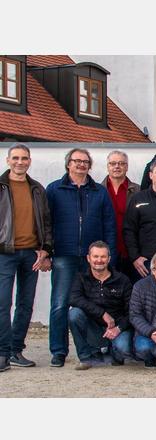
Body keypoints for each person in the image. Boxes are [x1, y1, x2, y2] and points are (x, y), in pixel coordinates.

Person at [46, 148, 116, 367]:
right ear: (69, 164)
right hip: (64, 255)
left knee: (93, 303)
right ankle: (58, 350)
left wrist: (109, 254)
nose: (81, 164)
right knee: (60, 304)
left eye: (85, 161)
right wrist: (46, 251)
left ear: (90, 165)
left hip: (92, 258)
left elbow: (109, 224)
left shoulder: (99, 192)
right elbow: (46, 223)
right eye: (77, 161)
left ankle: (93, 348)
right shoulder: (54, 189)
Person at [0, 143, 52, 371]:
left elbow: (46, 222)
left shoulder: (37, 189)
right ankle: (2, 352)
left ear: (29, 161)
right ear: (8, 160)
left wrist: (45, 249)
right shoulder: (1, 187)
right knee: (3, 303)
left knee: (25, 304)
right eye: (16, 158)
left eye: (24, 158)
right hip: (4, 253)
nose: (20, 162)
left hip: (31, 254)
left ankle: (15, 350)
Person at [68, 241, 133, 370]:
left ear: (109, 258)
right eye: (95, 256)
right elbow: (74, 299)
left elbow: (132, 310)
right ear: (88, 258)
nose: (99, 260)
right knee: (74, 314)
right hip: (93, 328)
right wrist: (102, 313)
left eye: (103, 256)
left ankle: (110, 352)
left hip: (117, 328)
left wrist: (118, 328)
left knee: (123, 350)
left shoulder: (122, 280)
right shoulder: (81, 278)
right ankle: (86, 357)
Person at [103, 150, 140, 281]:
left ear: (127, 167)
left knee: (133, 289)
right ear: (108, 166)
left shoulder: (138, 191)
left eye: (121, 163)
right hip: (105, 252)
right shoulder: (98, 190)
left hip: (132, 253)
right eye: (113, 163)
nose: (117, 166)